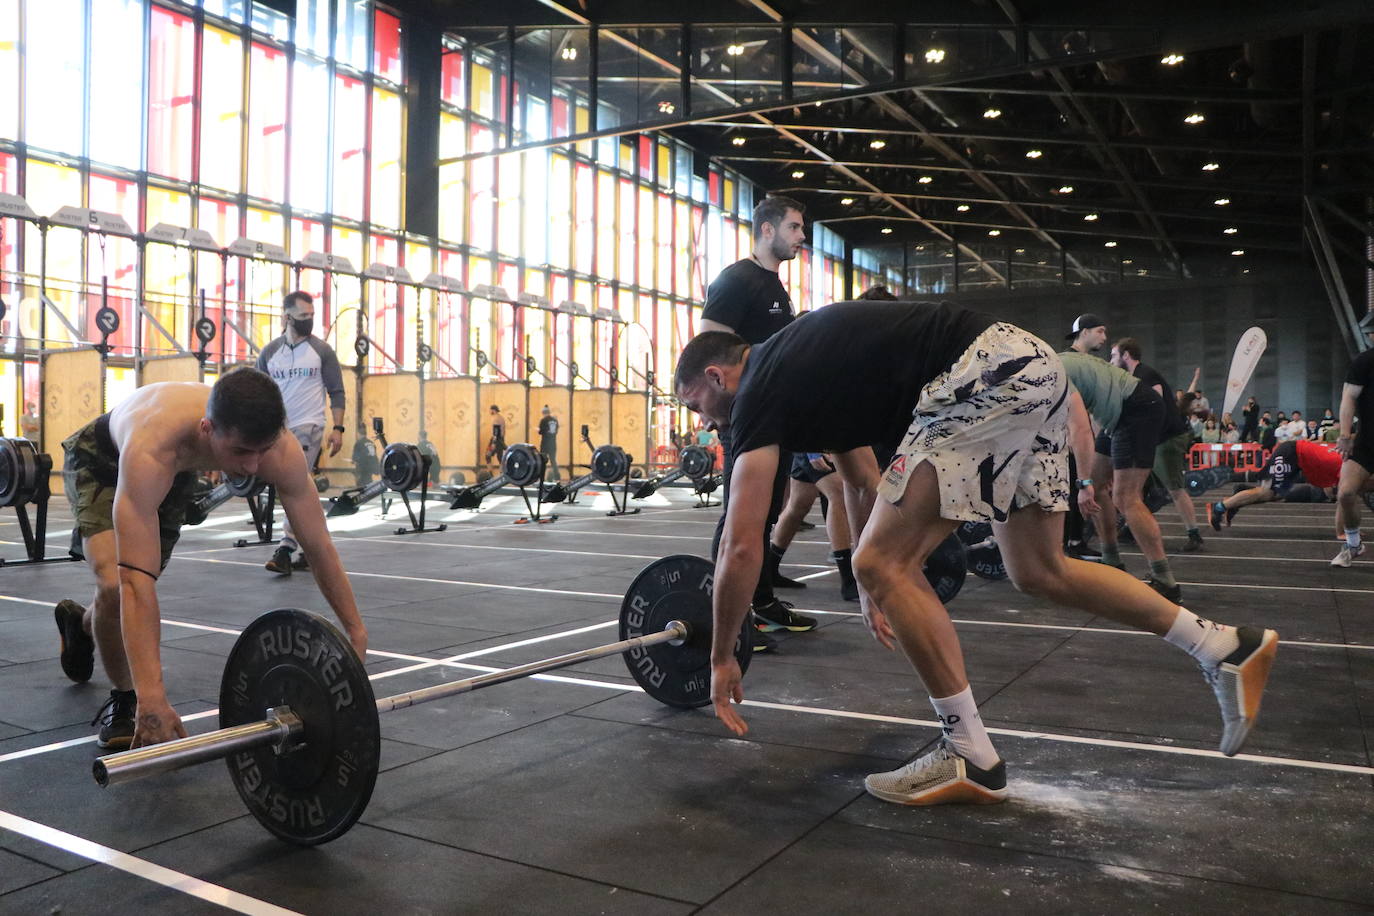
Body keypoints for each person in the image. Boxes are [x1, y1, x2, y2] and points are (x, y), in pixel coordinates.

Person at [674, 302, 1278, 806]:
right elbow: (861, 479)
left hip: (983, 374)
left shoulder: (755, 392)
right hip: (1030, 369)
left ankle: (968, 753)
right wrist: (868, 578)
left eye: (696, 405)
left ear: (716, 376)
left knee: (884, 562)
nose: (704, 421)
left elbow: (741, 541)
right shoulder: (798, 373)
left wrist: (724, 654)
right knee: (1041, 571)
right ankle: (1222, 644)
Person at [52, 368, 369, 749]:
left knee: (120, 595)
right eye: (240, 452)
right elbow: (135, 581)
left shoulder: (280, 450)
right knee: (116, 582)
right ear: (207, 428)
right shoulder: (153, 445)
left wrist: (355, 631)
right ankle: (125, 699)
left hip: (177, 469)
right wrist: (152, 697)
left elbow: (318, 546)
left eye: (261, 451)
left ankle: (82, 625)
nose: (252, 467)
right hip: (102, 457)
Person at [697, 194, 815, 645]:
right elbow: (708, 348)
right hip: (746, 418)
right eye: (795, 227)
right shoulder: (736, 281)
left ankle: (761, 601)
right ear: (767, 230)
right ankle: (727, 614)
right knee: (739, 517)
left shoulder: (774, 287)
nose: (801, 237)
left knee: (766, 513)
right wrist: (717, 410)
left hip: (776, 414)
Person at [1063, 322, 1183, 600]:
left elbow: (1079, 430)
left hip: (1136, 409)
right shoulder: (1069, 363)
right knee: (1097, 481)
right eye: (1099, 331)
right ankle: (1111, 560)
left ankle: (1165, 579)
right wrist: (1086, 481)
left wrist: (1081, 484)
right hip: (1118, 416)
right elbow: (1084, 424)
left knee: (1126, 497)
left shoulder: (1055, 373)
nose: (1104, 338)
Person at [257, 291, 346, 574]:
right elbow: (258, 393)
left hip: (309, 426)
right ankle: (314, 548)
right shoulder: (270, 353)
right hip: (277, 429)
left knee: (292, 485)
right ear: (287, 317)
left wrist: (338, 429)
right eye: (303, 316)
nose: (309, 320)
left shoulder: (322, 351)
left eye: (311, 315)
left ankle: (285, 548)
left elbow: (337, 392)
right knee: (302, 490)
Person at [1111, 337, 1204, 552]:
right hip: (1157, 439)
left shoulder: (1144, 375)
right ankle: (1132, 528)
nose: (1112, 360)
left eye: (1114, 355)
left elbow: (1155, 409)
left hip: (1166, 439)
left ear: (1126, 355)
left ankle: (1194, 534)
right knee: (1141, 488)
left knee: (1175, 489)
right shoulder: (1138, 376)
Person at [772, 452, 860, 600]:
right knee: (838, 495)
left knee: (799, 504)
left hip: (816, 443)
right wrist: (812, 453)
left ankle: (770, 567)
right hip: (817, 443)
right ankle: (848, 579)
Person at [1209, 438, 1354, 528]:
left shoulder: (1346, 458)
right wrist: (1348, 530)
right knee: (1267, 492)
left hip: (1295, 459)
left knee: (1277, 495)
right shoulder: (1346, 465)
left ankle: (1239, 497)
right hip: (1291, 454)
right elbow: (1335, 494)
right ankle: (1219, 507)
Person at [1331, 312, 1374, 566]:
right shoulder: (1365, 362)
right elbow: (1348, 398)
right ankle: (1353, 544)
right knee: (1346, 493)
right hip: (1367, 443)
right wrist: (1345, 436)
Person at [537, 405, 560, 481]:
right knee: (553, 460)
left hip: (545, 443)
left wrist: (538, 430)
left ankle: (541, 477)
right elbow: (556, 431)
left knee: (543, 460)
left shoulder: (543, 420)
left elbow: (541, 432)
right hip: (553, 443)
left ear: (543, 413)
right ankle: (557, 477)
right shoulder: (555, 420)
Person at [485, 404, 507, 471]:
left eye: (490, 410)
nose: (490, 412)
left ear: (493, 410)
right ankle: (502, 473)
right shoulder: (501, 418)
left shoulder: (496, 419)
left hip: (496, 440)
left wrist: (493, 443)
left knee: (487, 455)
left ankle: (490, 474)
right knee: (500, 457)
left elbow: (496, 432)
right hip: (501, 439)